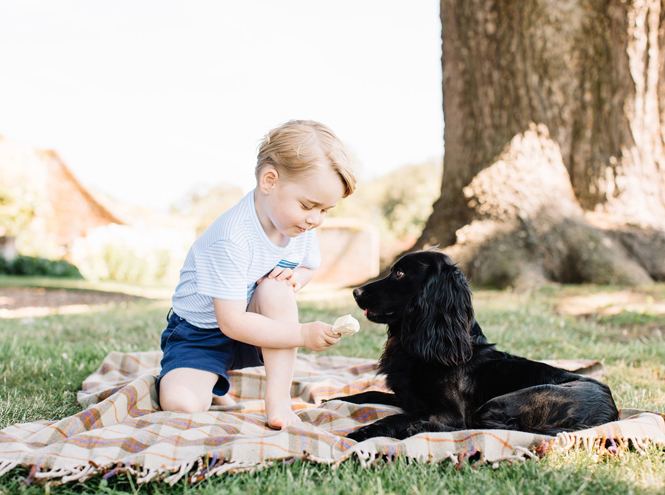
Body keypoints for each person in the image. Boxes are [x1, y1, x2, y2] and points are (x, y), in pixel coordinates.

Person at [157, 120, 357, 429]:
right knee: (182, 405)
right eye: (308, 205)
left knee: (276, 290)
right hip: (201, 334)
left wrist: (295, 280)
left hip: (256, 326)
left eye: (325, 210)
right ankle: (208, 379)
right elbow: (231, 322)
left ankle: (277, 402)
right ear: (269, 181)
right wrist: (303, 334)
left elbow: (306, 266)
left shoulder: (298, 225)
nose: (316, 219)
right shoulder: (231, 238)